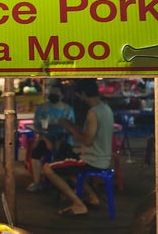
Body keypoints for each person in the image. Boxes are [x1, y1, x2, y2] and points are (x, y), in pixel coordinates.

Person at [42, 79, 113, 216]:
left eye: (78, 95)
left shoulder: (93, 112)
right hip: (103, 159)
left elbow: (87, 140)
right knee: (67, 158)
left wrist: (69, 127)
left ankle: (78, 204)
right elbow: (91, 133)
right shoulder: (106, 108)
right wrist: (74, 127)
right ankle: (91, 196)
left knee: (48, 168)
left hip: (92, 161)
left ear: (83, 94)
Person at [26, 84, 75, 192]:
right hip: (45, 139)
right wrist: (46, 140)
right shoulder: (42, 108)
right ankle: (37, 182)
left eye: (56, 93)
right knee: (36, 153)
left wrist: (59, 142)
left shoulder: (68, 110)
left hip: (64, 140)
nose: (53, 95)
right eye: (51, 93)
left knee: (66, 154)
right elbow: (37, 126)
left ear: (62, 95)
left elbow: (71, 128)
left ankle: (64, 183)